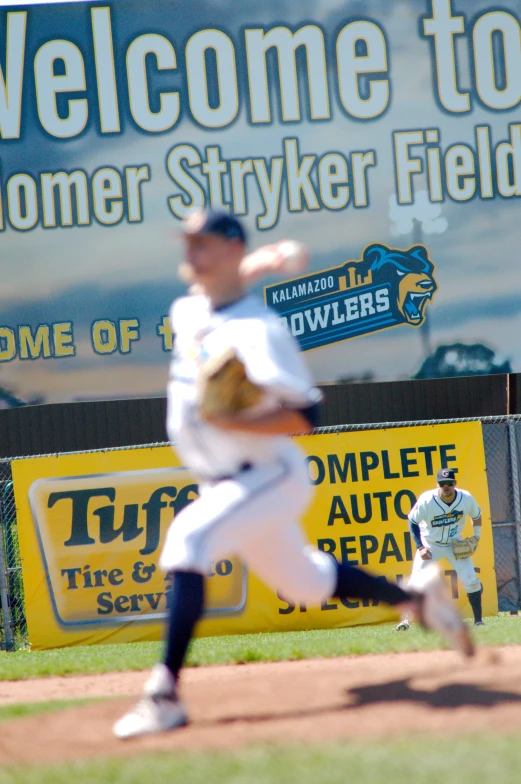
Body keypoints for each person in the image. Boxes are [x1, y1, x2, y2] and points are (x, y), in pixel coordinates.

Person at [113, 210, 473, 740]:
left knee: (187, 540)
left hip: (267, 473)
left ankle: (164, 694)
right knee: (305, 583)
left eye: (203, 243)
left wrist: (234, 418)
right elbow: (226, 288)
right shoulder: (188, 309)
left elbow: (306, 416)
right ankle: (417, 599)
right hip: (226, 479)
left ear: (231, 248)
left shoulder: (261, 333)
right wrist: (268, 260)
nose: (191, 253)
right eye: (187, 243)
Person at [396, 467, 484, 631]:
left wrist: (477, 536)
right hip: (430, 544)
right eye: (442, 483)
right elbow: (412, 522)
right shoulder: (427, 500)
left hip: (454, 545)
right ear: (437, 484)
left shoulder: (465, 498)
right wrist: (420, 547)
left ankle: (478, 621)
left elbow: (477, 515)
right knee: (415, 582)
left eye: (449, 483)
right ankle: (405, 621)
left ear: (454, 484)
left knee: (471, 581)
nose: (446, 486)